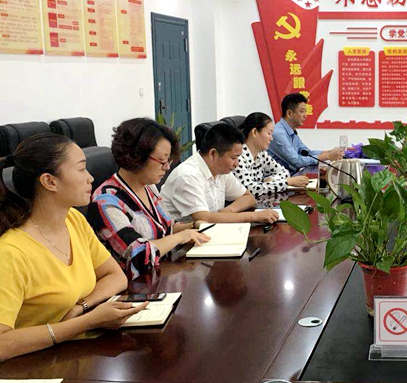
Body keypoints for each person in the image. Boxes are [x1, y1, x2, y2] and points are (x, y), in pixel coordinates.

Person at [0, 135, 148, 362]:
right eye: (81, 169)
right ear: (50, 182)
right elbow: (2, 344)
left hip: (75, 357)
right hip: (33, 369)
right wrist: (87, 321)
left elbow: (116, 276)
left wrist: (81, 306)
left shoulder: (73, 220)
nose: (91, 178)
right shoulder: (11, 252)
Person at [87, 118, 212, 280]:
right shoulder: (106, 202)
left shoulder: (148, 186)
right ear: (136, 156)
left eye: (168, 160)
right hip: (134, 285)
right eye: (162, 160)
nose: (167, 167)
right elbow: (138, 255)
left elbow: (164, 228)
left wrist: (194, 226)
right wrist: (181, 237)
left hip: (160, 274)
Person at [159, 124, 279, 224]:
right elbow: (204, 219)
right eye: (234, 158)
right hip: (182, 242)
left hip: (209, 233)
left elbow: (248, 197)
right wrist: (254, 216)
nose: (237, 164)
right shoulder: (188, 175)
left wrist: (228, 212)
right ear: (213, 154)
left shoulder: (221, 170)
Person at [234, 112, 311, 197]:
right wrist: (288, 182)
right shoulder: (237, 157)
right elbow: (252, 190)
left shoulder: (261, 154)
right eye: (269, 133)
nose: (271, 138)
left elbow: (284, 172)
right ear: (255, 132)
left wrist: (272, 179)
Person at [268, 93, 343, 174]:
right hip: (277, 179)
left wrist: (329, 152)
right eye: (302, 111)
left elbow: (306, 152)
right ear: (289, 113)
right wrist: (327, 156)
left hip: (290, 177)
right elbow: (296, 161)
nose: (305, 115)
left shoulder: (292, 132)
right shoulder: (278, 133)